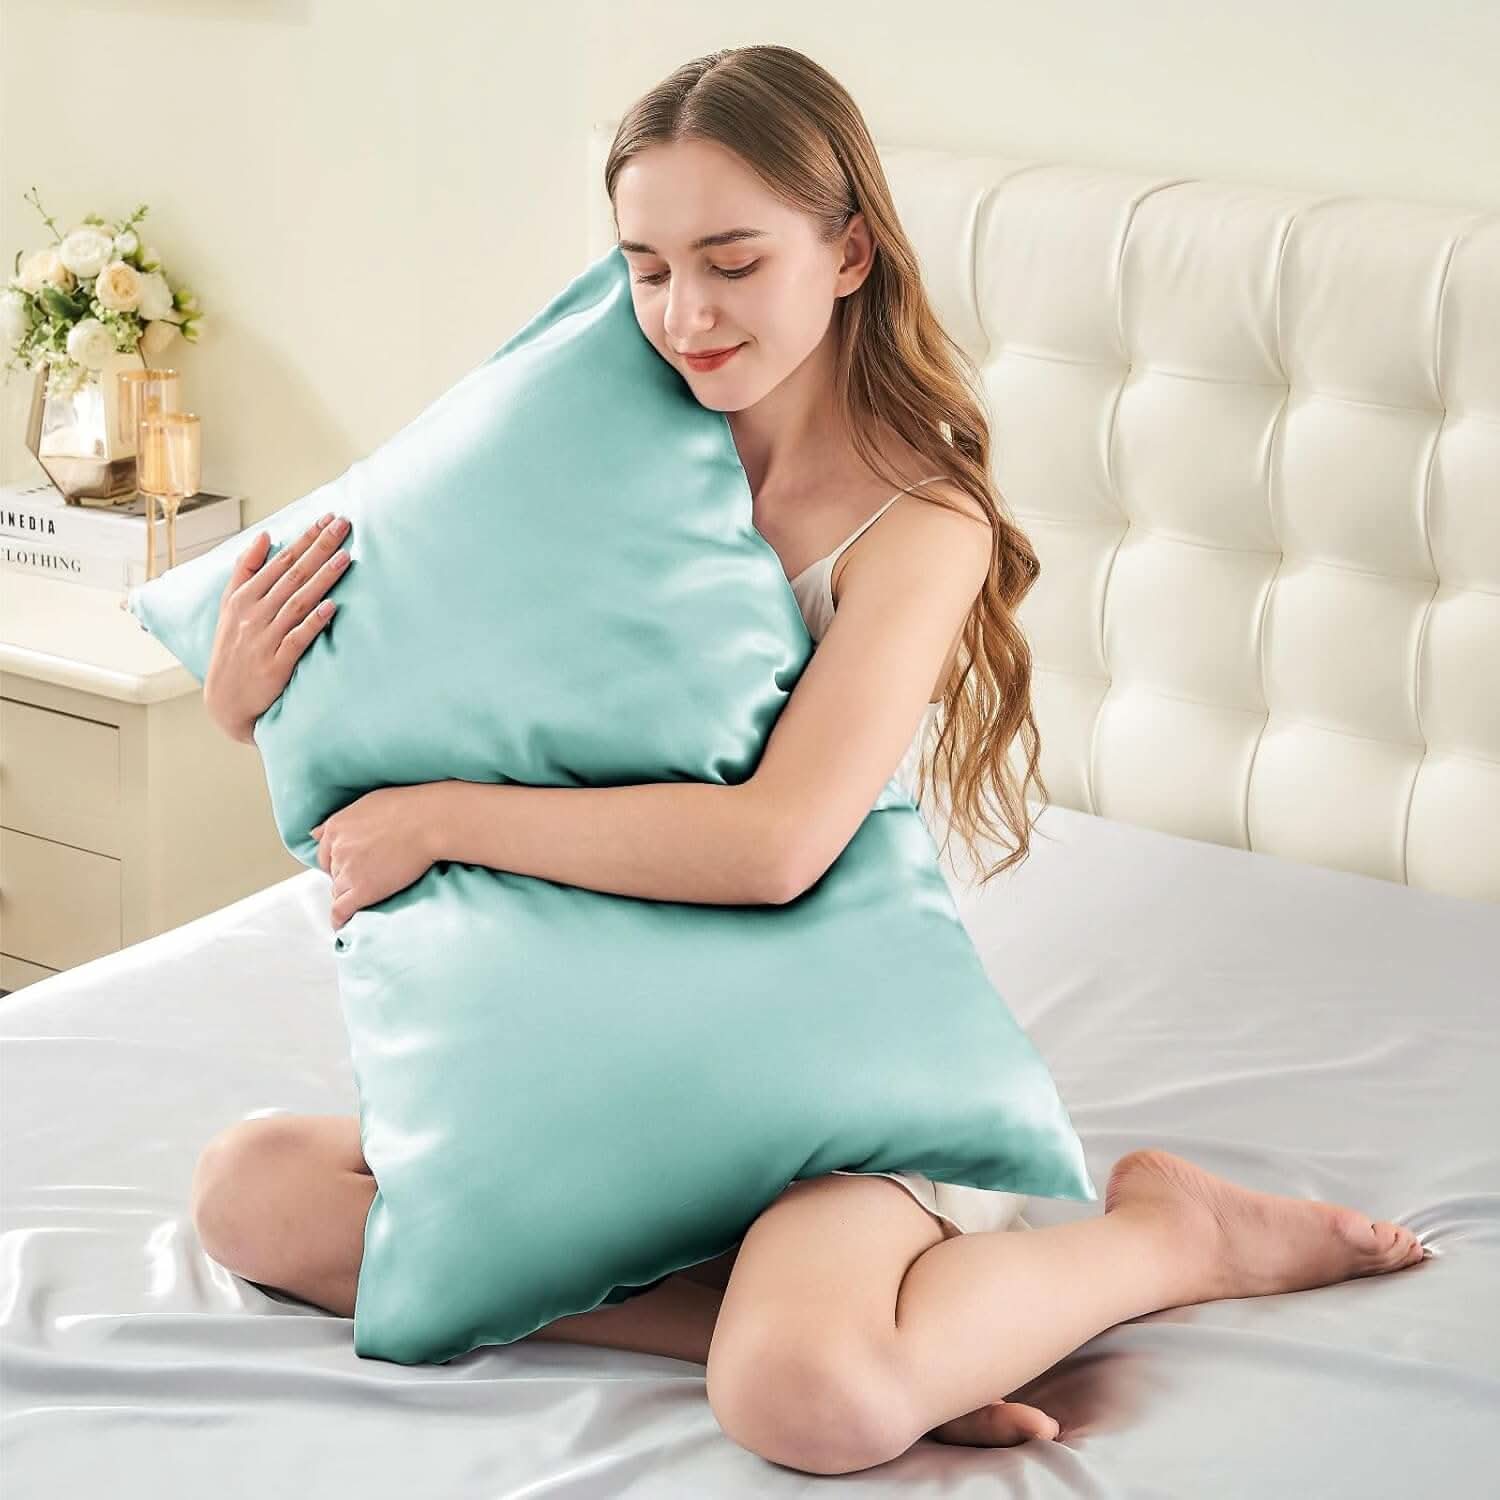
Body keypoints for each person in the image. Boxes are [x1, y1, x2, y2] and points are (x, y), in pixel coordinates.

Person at [188, 44, 1430, 1478]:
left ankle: (1164, 1235)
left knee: (802, 1404)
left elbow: (776, 844)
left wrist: (447, 821)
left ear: (847, 254)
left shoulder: (919, 524)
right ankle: (910, 1332)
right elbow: (428, 700)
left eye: (732, 261)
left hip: (836, 1088)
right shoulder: (581, 453)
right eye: (646, 268)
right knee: (252, 1194)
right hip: (601, 1053)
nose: (684, 314)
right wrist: (247, 703)